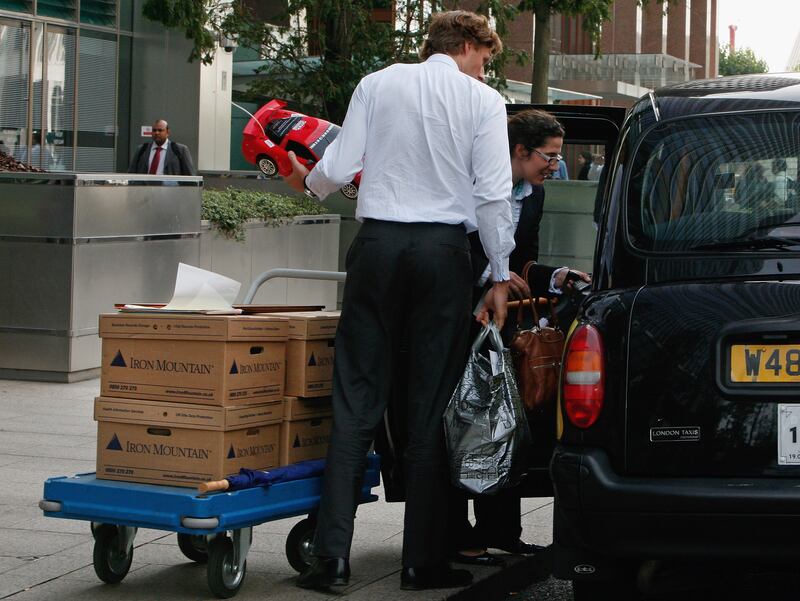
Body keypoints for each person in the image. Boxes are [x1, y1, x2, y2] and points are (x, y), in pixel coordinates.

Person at [282, 10, 515, 592]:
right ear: (465, 45)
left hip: (378, 246)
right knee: (429, 409)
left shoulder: (377, 82)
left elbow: (336, 167)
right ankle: (421, 561)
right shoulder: (481, 103)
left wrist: (304, 181)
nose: (485, 70)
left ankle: (331, 558)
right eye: (485, 58)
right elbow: (492, 196)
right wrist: (499, 276)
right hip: (442, 254)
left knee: (356, 399)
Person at [450, 109, 590, 567]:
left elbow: (523, 262)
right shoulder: (471, 185)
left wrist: (558, 276)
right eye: (548, 156)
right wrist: (493, 275)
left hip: (503, 322)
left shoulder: (534, 196)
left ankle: (501, 532)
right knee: (463, 423)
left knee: (504, 421)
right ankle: (456, 534)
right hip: (459, 318)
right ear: (519, 151)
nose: (555, 164)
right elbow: (460, 251)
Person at [128, 119, 195, 175]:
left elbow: (190, 175)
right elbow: (131, 173)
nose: (156, 133)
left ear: (167, 132)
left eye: (160, 130)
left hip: (170, 190)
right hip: (145, 189)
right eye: (154, 130)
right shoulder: (142, 149)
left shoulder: (180, 150)